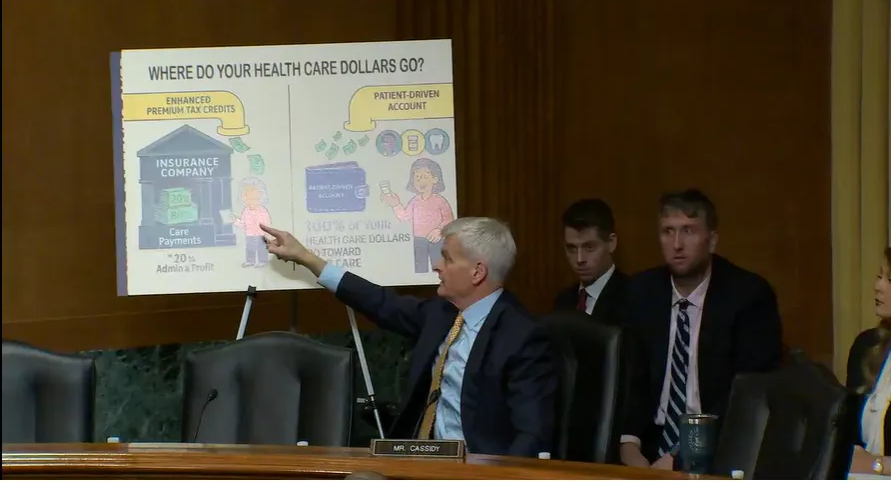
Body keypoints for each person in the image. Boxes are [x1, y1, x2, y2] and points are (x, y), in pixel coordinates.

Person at [259, 217, 557, 457]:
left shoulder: (522, 337)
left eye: (447, 259)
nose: (436, 266)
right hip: (419, 459)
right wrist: (307, 258)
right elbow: (379, 302)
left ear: (477, 272)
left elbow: (532, 435)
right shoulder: (441, 314)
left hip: (477, 471)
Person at [618, 189, 783, 469]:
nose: (677, 244)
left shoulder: (748, 297)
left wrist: (677, 459)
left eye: (689, 231)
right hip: (651, 441)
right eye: (668, 231)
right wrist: (629, 445)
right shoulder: (641, 293)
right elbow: (632, 380)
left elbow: (745, 399)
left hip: (719, 443)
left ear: (712, 240)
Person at [845, 247, 891, 476]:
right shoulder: (867, 346)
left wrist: (876, 465)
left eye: (889, 280)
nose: (878, 286)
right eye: (879, 276)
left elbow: (868, 463)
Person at [553, 198, 627, 326]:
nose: (579, 259)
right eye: (572, 248)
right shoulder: (563, 301)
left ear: (611, 243)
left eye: (589, 247)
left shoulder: (632, 298)